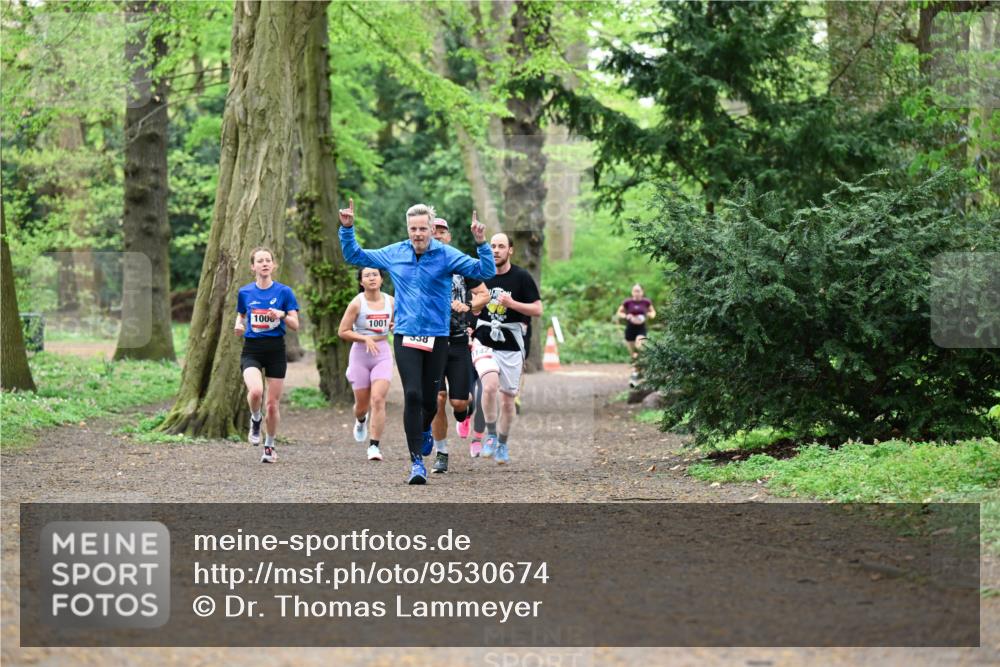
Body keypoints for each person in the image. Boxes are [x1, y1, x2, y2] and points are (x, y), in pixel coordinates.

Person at [339, 199, 494, 485]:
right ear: (408, 229)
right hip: (406, 335)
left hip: (438, 336)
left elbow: (485, 272)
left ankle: (424, 429)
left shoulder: (446, 254)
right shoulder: (395, 253)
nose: (418, 233)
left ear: (431, 229)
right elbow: (355, 256)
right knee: (411, 395)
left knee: (431, 402)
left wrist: (481, 243)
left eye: (423, 228)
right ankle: (416, 463)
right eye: (413, 228)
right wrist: (347, 229)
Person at [471, 233, 542, 465]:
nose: (496, 250)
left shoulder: (521, 277)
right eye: (492, 246)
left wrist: (512, 304)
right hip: (484, 337)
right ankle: (490, 434)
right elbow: (471, 304)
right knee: (489, 385)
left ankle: (502, 442)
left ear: (510, 250)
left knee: (508, 400)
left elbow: (537, 309)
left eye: (501, 246)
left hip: (511, 341)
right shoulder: (480, 275)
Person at [428, 217, 490, 473]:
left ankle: (466, 409)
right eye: (434, 232)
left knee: (459, 404)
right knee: (438, 398)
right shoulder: (420, 265)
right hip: (431, 340)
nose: (439, 236)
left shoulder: (460, 264)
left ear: (449, 237)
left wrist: (468, 306)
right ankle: (441, 452)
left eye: (443, 232)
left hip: (457, 340)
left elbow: (484, 294)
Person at [234, 247, 300, 464]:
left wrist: (281, 315)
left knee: (272, 404)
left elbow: (295, 324)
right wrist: (238, 325)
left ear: (273, 265)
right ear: (253, 266)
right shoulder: (245, 292)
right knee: (255, 392)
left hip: (275, 350)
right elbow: (241, 315)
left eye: (268, 260)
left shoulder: (284, 292)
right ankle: (255, 419)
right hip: (252, 349)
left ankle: (270, 445)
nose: (264, 264)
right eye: (260, 261)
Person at [338, 267, 395, 462]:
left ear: (381, 279)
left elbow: (398, 324)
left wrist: (396, 327)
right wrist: (364, 338)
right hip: (360, 354)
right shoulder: (357, 303)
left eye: (375, 275)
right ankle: (360, 420)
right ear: (361, 282)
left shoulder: (391, 302)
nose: (372, 278)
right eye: (367, 276)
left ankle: (374, 446)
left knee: (378, 399)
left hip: (382, 353)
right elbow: (343, 331)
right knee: (362, 406)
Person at [616, 283, 656, 385]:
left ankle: (636, 373)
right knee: (634, 354)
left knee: (639, 346)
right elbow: (619, 313)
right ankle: (637, 372)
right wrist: (626, 316)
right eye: (634, 291)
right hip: (630, 330)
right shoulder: (627, 302)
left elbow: (653, 313)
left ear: (642, 292)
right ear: (632, 292)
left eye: (638, 291)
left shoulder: (646, 302)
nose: (636, 293)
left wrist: (649, 315)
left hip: (641, 329)